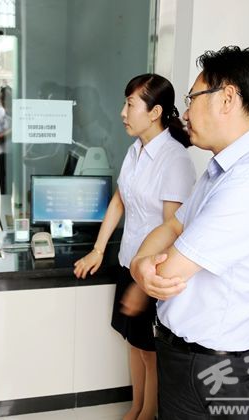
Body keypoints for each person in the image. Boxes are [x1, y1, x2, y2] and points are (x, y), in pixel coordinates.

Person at [130, 46, 249, 419]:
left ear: (227, 98)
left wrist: (143, 267)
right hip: (192, 360)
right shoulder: (222, 170)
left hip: (209, 371)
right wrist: (140, 262)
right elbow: (173, 225)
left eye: (192, 98)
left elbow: (166, 272)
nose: (185, 113)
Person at [74, 74, 196, 420]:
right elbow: (119, 201)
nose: (122, 112)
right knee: (134, 343)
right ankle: (136, 407)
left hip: (152, 273)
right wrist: (98, 250)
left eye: (130, 104)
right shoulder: (135, 151)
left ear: (155, 112)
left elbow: (172, 230)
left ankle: (147, 415)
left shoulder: (175, 160)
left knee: (150, 351)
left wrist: (144, 287)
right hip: (128, 262)